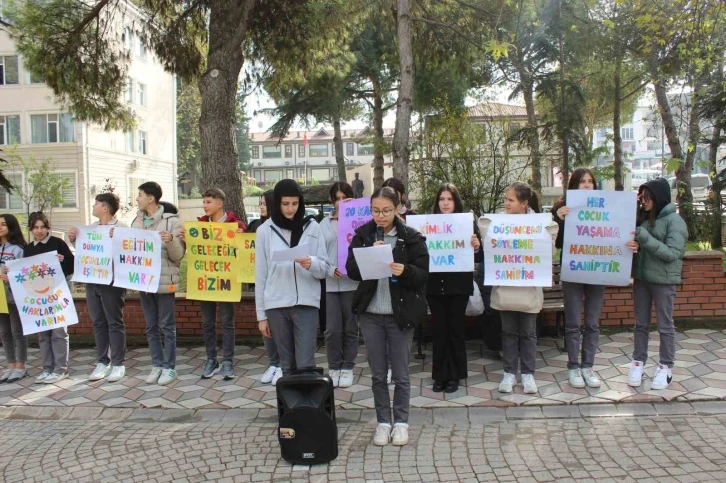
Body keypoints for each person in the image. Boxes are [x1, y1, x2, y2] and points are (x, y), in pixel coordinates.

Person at [346, 186, 429, 447]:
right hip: (371, 314)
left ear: (398, 209)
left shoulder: (412, 237)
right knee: (378, 373)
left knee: (401, 373)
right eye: (375, 211)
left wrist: (405, 270)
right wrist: (370, 252)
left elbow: (423, 274)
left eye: (386, 211)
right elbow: (352, 271)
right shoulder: (363, 235)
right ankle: (383, 422)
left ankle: (401, 422)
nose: (380, 216)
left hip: (399, 315)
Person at [479, 183, 558, 395]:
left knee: (529, 333)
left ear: (524, 204)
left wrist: (550, 231)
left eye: (511, 200)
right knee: (508, 333)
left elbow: (547, 252)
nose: (506, 203)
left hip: (528, 288)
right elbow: (488, 242)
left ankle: (528, 374)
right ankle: (509, 372)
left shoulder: (540, 225)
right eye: (505, 199)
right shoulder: (498, 223)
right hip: (506, 288)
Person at [255, 179, 328, 379]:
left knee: (306, 364)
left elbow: (324, 268)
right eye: (285, 204)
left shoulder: (312, 227)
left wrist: (311, 263)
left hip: (306, 303)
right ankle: (288, 410)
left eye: (295, 204)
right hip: (276, 305)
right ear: (277, 203)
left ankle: (308, 409)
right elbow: (260, 275)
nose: (290, 209)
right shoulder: (264, 231)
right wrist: (261, 316)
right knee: (286, 365)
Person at [179, 188, 245, 380]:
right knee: (207, 323)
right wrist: (186, 241)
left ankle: (228, 361)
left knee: (227, 323)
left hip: (226, 282)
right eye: (204, 202)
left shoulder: (235, 224)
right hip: (205, 281)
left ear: (219, 203)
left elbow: (244, 253)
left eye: (208, 202)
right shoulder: (199, 226)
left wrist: (240, 238)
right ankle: (211, 359)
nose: (204, 205)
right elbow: (194, 251)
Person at [552, 169, 609, 388]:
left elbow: (612, 234)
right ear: (574, 185)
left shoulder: (605, 206)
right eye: (582, 182)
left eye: (590, 182)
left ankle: (589, 366)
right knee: (573, 322)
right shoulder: (560, 208)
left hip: (597, 270)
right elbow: (556, 244)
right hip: (573, 271)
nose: (587, 185)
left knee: (592, 323)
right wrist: (561, 219)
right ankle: (573, 367)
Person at [628, 177, 687, 390]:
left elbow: (673, 254)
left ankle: (665, 367)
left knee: (665, 325)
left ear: (658, 197)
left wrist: (644, 239)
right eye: (641, 197)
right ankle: (638, 362)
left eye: (647, 197)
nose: (643, 201)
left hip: (663, 281)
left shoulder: (675, 221)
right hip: (642, 279)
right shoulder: (643, 219)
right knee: (640, 324)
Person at [427, 183, 482, 393]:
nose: (445, 203)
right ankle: (440, 375)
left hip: (458, 285)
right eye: (442, 199)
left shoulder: (467, 223)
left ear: (455, 202)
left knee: (456, 331)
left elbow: (477, 257)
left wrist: (476, 245)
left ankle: (456, 375)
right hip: (435, 286)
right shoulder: (428, 225)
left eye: (449, 199)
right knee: (439, 331)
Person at [69, 193, 128, 383]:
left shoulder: (121, 228)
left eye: (96, 204)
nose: (93, 207)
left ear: (105, 207)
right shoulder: (91, 229)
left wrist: (118, 239)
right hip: (92, 281)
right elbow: (85, 252)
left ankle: (118, 363)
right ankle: (103, 361)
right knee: (98, 323)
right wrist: (74, 240)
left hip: (112, 282)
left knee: (114, 322)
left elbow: (128, 253)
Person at [131, 182, 185, 386]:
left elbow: (178, 256)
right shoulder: (136, 222)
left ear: (151, 198)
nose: (138, 199)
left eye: (140, 195)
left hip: (164, 282)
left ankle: (169, 368)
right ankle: (157, 364)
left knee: (167, 326)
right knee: (151, 326)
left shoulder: (172, 222)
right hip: (144, 281)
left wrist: (171, 240)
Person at [24, 212, 74, 384]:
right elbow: (24, 275)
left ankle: (61, 368)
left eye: (42, 227)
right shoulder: (28, 248)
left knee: (59, 332)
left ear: (48, 228)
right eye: (36, 227)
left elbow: (71, 266)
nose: (39, 231)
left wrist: (62, 260)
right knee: (43, 333)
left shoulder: (58, 243)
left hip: (57, 296)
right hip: (38, 299)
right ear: (31, 229)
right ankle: (47, 368)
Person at [320, 182, 359, 388]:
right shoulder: (323, 225)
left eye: (345, 197)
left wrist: (356, 214)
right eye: (337, 198)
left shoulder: (359, 222)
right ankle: (334, 366)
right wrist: (328, 269)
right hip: (330, 284)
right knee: (332, 330)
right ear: (332, 201)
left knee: (351, 328)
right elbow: (317, 254)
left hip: (352, 283)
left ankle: (348, 367)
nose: (340, 202)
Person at [246, 190, 283, 385]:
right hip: (260, 282)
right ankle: (273, 362)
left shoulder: (281, 228)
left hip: (278, 284)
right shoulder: (256, 226)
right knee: (266, 325)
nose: (261, 207)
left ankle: (282, 364)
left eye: (264, 203)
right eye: (259, 203)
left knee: (280, 327)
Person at [0, 215, 27, 383]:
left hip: (14, 295)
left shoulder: (18, 249)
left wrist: (10, 277)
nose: (0, 227)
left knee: (17, 331)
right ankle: (10, 365)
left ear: (11, 226)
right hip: (0, 297)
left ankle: (21, 366)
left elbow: (24, 272)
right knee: (4, 332)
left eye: (3, 224)